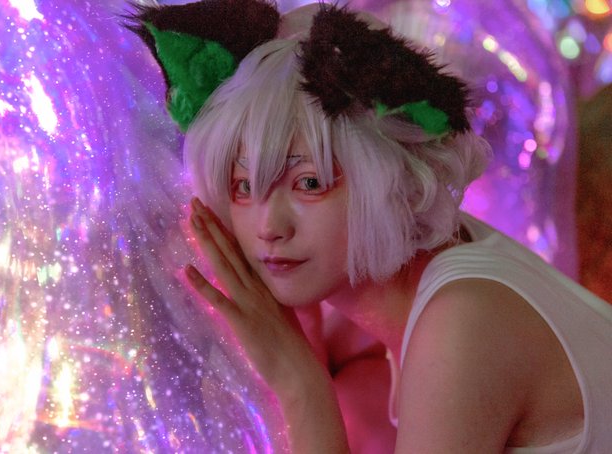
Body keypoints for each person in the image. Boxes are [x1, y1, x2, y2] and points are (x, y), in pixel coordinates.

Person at [126, 1, 612, 452]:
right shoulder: (394, 306)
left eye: (309, 182)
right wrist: (304, 340)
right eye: (243, 186)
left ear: (385, 178)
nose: (269, 226)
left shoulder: (461, 322)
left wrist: (301, 385)